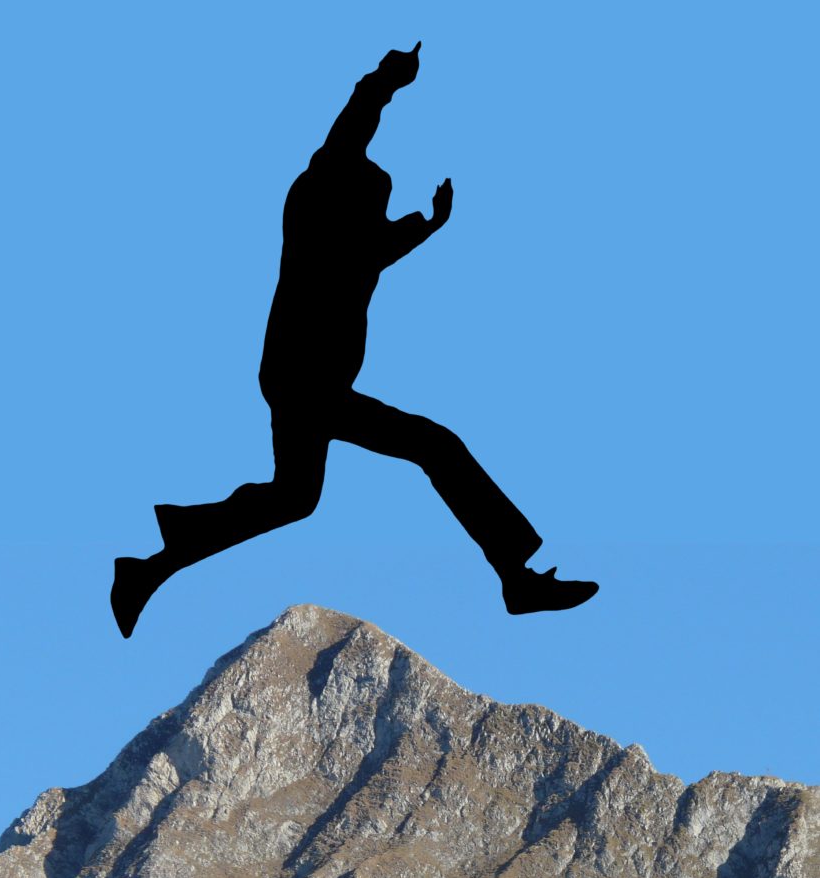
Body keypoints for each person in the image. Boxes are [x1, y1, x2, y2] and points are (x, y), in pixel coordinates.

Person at [111, 43, 598, 638]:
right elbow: (351, 134)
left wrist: (429, 222)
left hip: (301, 380)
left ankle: (153, 564)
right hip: (304, 380)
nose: (383, 213)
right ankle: (516, 576)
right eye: (379, 203)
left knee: (295, 497)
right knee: (434, 446)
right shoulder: (318, 202)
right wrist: (386, 80)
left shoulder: (355, 244)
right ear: (351, 196)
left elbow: (382, 245)